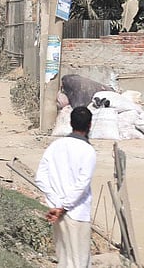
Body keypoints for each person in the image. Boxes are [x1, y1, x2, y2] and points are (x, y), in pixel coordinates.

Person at [35, 106, 97, 268]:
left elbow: (40, 178)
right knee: (79, 262)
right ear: (89, 125)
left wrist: (56, 203)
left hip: (59, 214)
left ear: (70, 123)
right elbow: (82, 184)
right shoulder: (88, 151)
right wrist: (64, 206)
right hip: (77, 213)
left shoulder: (55, 146)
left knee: (64, 260)